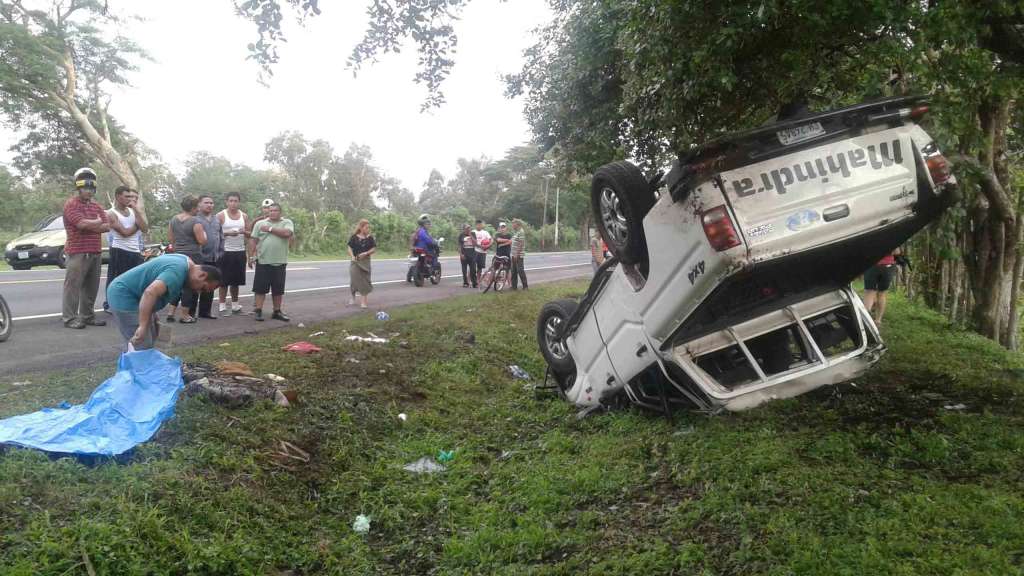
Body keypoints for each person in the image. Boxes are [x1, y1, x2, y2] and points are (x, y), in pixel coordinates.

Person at [107, 253, 221, 350]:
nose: (199, 292)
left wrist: (152, 313)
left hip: (137, 297)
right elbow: (150, 292)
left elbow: (152, 285)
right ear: (202, 275)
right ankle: (136, 373)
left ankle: (145, 370)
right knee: (141, 344)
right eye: (203, 288)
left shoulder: (186, 262)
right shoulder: (177, 271)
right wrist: (142, 325)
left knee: (152, 338)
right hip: (124, 296)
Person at [62, 167, 110, 329]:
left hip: (95, 250)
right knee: (73, 286)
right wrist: (96, 223)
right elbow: (80, 224)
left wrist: (92, 225)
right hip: (77, 252)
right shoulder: (71, 205)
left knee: (91, 287)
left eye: (91, 188)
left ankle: (87, 316)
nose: (89, 191)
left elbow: (107, 226)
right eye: (85, 188)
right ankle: (70, 318)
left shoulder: (96, 206)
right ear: (79, 188)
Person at [103, 186, 148, 312]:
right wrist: (137, 226)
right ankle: (110, 304)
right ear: (118, 197)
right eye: (127, 196)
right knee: (115, 278)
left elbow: (145, 228)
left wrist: (137, 211)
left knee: (134, 279)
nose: (130, 199)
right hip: (119, 249)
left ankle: (128, 303)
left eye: (132, 197)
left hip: (135, 250)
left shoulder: (133, 211)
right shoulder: (110, 213)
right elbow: (125, 232)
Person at [165, 195, 207, 324]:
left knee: (177, 284)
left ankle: (171, 312)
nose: (198, 210)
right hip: (193, 255)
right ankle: (185, 315)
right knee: (189, 285)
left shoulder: (174, 219)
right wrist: (204, 234)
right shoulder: (195, 221)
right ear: (193, 207)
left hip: (178, 255)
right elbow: (202, 240)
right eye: (197, 207)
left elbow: (171, 238)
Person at [248, 203, 293, 321]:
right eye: (271, 210)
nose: (272, 212)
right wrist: (250, 256)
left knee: (278, 289)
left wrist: (270, 229)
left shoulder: (286, 222)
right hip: (263, 261)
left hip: (280, 261)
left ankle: (277, 311)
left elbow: (287, 233)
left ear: (280, 212)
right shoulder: (259, 224)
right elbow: (253, 240)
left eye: (275, 210)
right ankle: (258, 310)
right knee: (260, 288)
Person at [217, 192, 249, 315]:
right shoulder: (220, 215)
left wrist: (243, 231)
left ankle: (235, 305)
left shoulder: (244, 216)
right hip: (225, 251)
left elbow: (250, 233)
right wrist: (228, 233)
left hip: (240, 251)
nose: (233, 203)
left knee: (236, 281)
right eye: (231, 201)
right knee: (223, 281)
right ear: (227, 202)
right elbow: (214, 233)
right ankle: (222, 305)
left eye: (235, 201)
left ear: (239, 202)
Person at [195, 195, 223, 319]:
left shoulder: (216, 219)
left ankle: (205, 312)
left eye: (211, 203)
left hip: (214, 258)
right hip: (200, 258)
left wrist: (221, 252)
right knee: (195, 286)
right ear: (199, 204)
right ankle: (189, 313)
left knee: (210, 285)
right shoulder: (195, 219)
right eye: (206, 202)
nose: (209, 205)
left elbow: (221, 236)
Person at [862, 248, 901, 327]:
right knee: (882, 294)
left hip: (872, 265)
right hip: (888, 266)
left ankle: (865, 321)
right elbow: (897, 252)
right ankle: (878, 320)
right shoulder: (891, 237)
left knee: (869, 292)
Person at [347, 219, 377, 309]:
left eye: (368, 227)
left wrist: (366, 253)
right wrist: (352, 256)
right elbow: (349, 248)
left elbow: (374, 249)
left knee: (365, 281)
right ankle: (353, 296)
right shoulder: (354, 237)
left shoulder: (370, 238)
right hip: (355, 261)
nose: (368, 229)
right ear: (361, 228)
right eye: (366, 227)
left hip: (365, 262)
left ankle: (363, 301)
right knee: (354, 280)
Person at [510, 219, 528, 290]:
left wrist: (516, 254)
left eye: (513, 224)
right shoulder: (516, 232)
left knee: (520, 270)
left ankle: (525, 286)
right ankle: (514, 286)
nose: (512, 225)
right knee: (513, 271)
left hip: (518, 255)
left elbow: (521, 244)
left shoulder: (521, 232)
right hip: (513, 254)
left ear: (517, 224)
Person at [457, 223, 477, 287]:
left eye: (469, 228)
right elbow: (459, 245)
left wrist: (470, 235)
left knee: (473, 270)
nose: (468, 229)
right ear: (464, 229)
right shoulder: (461, 235)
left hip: (472, 254)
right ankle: (465, 283)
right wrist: (461, 254)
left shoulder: (473, 234)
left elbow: (475, 243)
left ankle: (474, 283)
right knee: (464, 270)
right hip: (464, 254)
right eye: (467, 228)